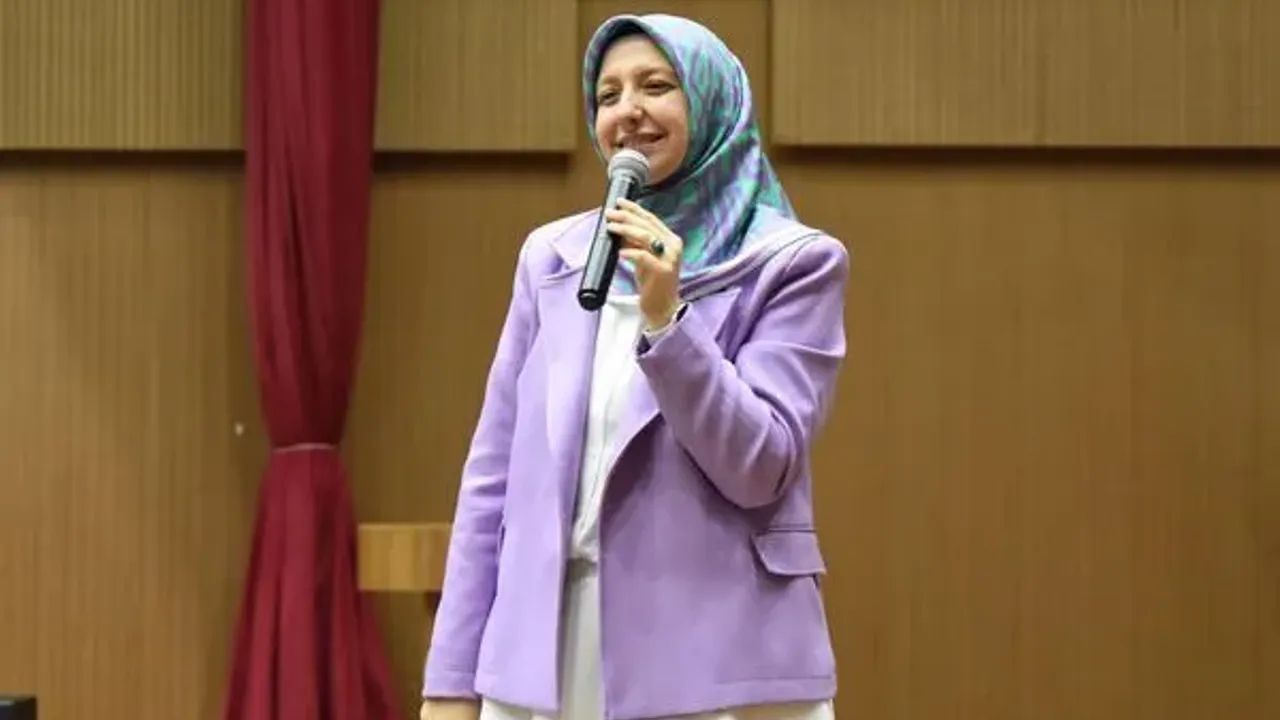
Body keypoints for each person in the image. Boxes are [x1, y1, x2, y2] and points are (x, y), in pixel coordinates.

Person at [421, 13, 848, 720]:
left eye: (655, 86)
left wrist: (668, 320)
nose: (628, 112)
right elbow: (491, 482)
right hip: (545, 660)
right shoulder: (553, 259)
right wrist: (452, 680)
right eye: (608, 95)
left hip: (719, 664)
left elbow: (761, 465)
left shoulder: (793, 264)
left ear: (711, 103)